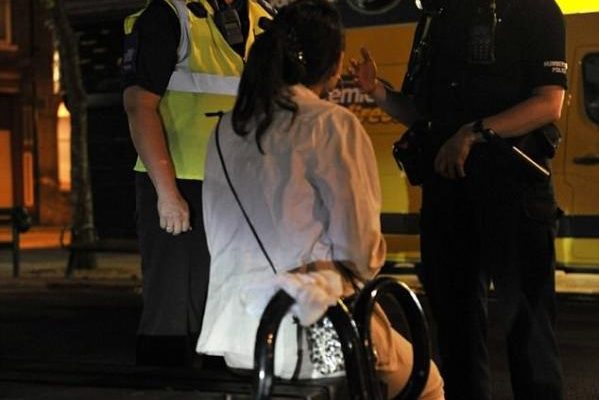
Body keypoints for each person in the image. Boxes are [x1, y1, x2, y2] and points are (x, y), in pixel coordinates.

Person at [196, 0, 444, 398]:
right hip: (312, 332)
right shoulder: (331, 124)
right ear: (334, 62)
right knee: (428, 384)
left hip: (239, 337)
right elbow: (361, 254)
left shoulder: (225, 129)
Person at [349, 0, 567, 399]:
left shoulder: (535, 9)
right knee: (455, 332)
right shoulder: (439, 16)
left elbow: (549, 103)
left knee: (529, 332)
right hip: (447, 193)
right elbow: (422, 113)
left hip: (513, 191)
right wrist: (377, 91)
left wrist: (473, 133)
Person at [121, 0, 273, 366]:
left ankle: (219, 379)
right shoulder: (171, 15)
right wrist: (167, 193)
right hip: (181, 183)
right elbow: (139, 105)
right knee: (172, 309)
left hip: (240, 186)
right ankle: (165, 381)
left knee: (227, 303)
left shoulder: (264, 19)